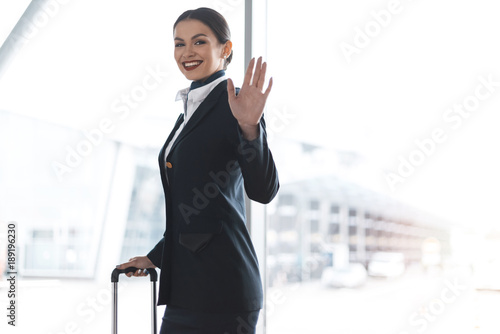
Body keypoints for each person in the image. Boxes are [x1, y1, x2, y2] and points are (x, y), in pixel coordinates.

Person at [116, 7, 279, 334]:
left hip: (224, 292)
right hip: (187, 291)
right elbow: (196, 211)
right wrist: (155, 257)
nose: (187, 52)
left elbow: (263, 190)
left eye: (199, 42)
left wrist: (250, 127)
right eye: (179, 44)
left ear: (225, 49)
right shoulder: (188, 112)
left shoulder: (237, 104)